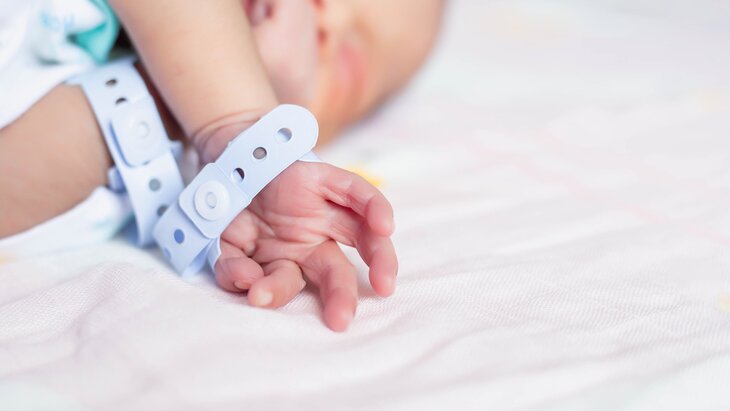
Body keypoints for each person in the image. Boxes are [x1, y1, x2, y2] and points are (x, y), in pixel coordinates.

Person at [0, 0, 444, 331]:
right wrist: (235, 118)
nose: (323, 14)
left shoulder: (145, 182)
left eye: (346, 60)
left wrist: (171, 114)